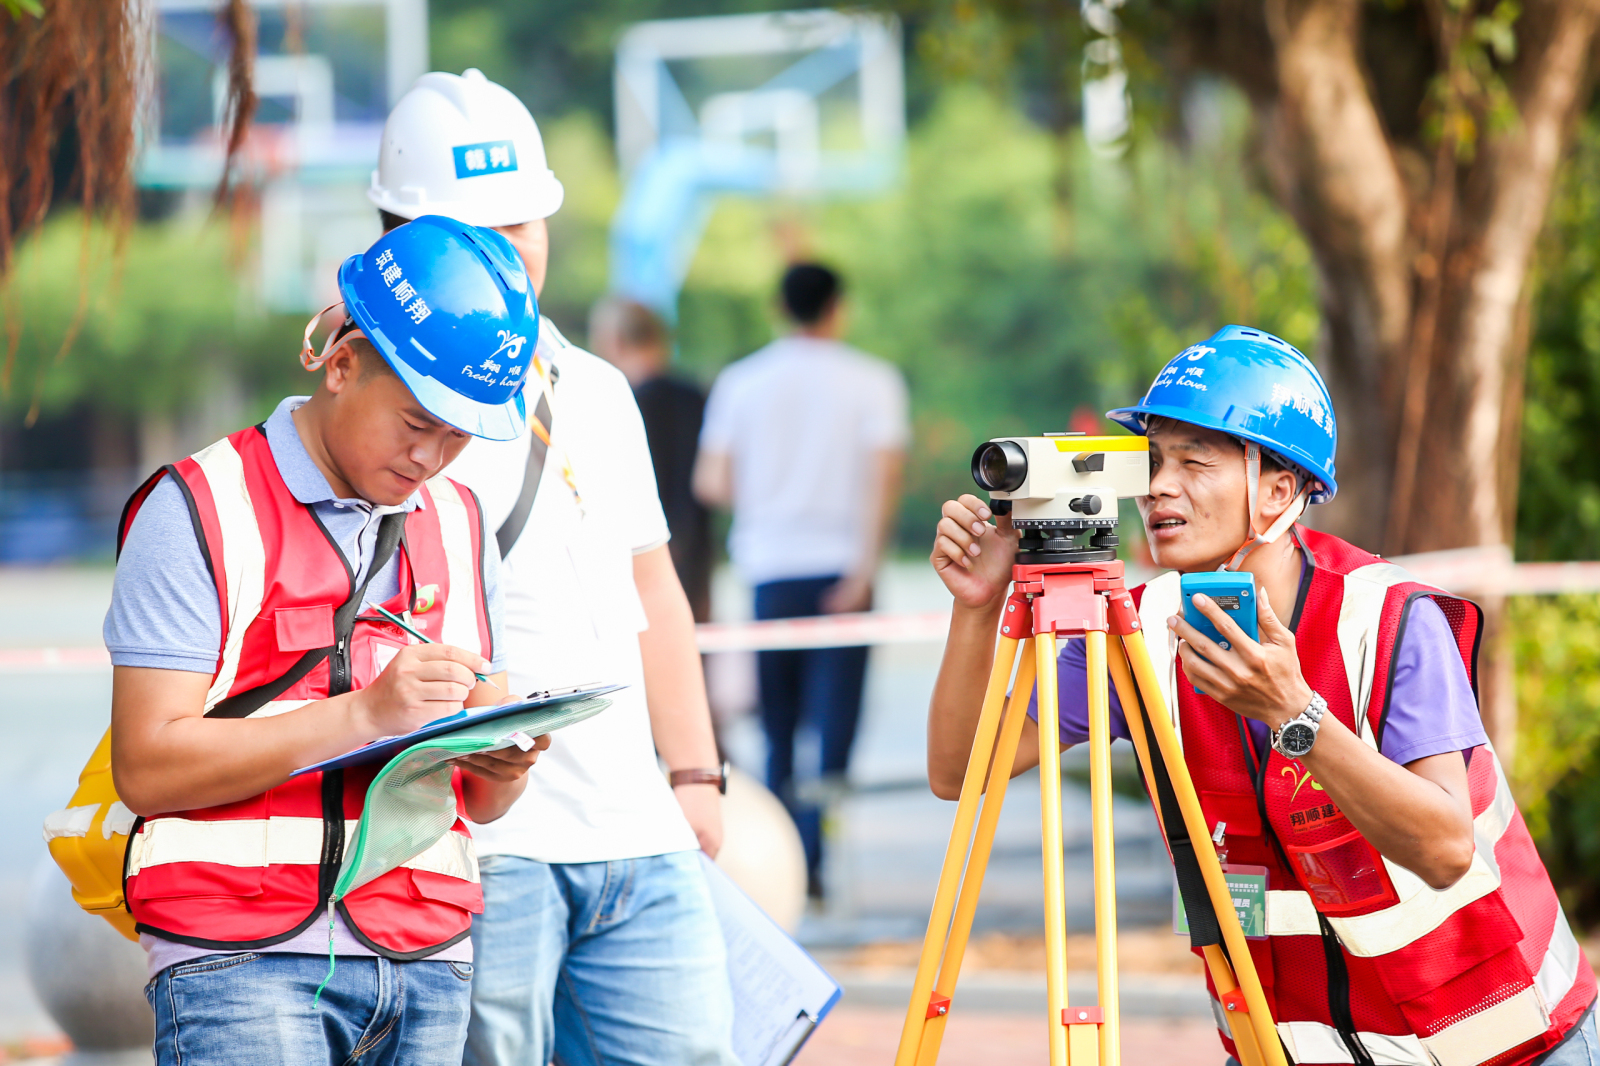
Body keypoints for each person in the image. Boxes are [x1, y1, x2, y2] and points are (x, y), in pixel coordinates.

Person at [926, 325, 1598, 1065]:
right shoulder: (1141, 631)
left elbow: (1444, 849)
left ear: (1280, 489)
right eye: (1151, 461)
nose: (1157, 486)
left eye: (1193, 462)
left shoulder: (1391, 617)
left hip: (1506, 1047)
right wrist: (978, 607)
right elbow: (960, 770)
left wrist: (1293, 712)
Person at [107, 215, 546, 1066]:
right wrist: (367, 714)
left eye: (459, 434)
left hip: (426, 953)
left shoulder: (458, 522)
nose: (434, 457)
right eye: (417, 422)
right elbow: (146, 767)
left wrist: (502, 763)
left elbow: (479, 804)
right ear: (340, 364)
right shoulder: (197, 506)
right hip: (238, 958)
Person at [368, 68, 738, 1066]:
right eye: (477, 229)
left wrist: (695, 772)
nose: (510, 253)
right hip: (489, 839)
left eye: (523, 223)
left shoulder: (598, 386)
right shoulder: (373, 399)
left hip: (636, 825)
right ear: (396, 232)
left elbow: (651, 584)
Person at [695, 262, 909, 899]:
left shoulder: (741, 381)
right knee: (834, 725)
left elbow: (712, 482)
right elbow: (885, 478)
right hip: (845, 569)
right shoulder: (874, 381)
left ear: (778, 308)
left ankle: (785, 861)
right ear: (836, 309)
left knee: (779, 726)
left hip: (770, 569)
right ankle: (816, 855)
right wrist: (865, 568)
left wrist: (768, 496)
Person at [591, 296, 715, 622]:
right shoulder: (696, 396)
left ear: (614, 341)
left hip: (640, 560)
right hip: (697, 557)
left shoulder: (618, 405)